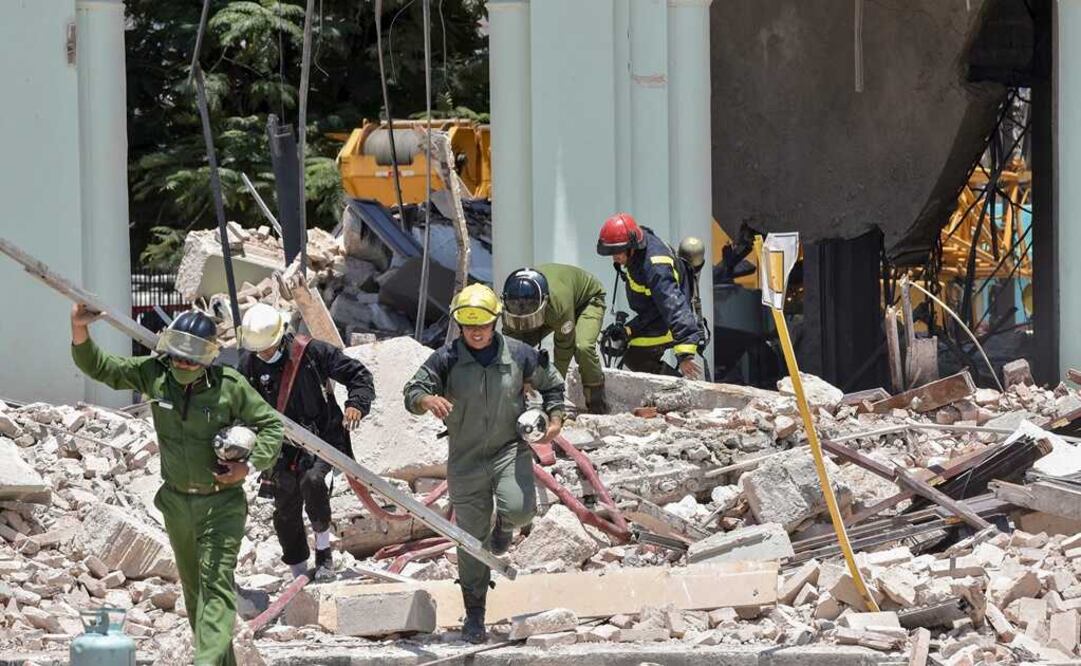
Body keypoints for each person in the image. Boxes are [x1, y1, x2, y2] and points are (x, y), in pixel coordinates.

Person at [70, 304, 282, 666]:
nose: (182, 366)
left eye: (190, 361)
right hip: (176, 503)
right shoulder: (156, 374)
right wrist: (78, 327)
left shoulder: (230, 387)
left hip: (221, 504)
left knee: (216, 585)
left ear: (207, 359)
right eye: (177, 359)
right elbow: (101, 367)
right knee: (195, 593)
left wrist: (247, 467)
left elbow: (272, 426)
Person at [402, 284, 565, 644]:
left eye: (483, 325)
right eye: (468, 325)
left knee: (522, 510)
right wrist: (427, 399)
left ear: (496, 322)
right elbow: (411, 392)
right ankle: (475, 612)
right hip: (466, 457)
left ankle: (505, 527)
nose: (476, 333)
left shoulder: (520, 355)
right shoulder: (445, 359)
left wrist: (555, 419)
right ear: (459, 325)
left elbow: (553, 386)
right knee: (470, 540)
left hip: (510, 449)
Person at [236, 303, 374, 581]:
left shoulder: (311, 352)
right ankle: (298, 570)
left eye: (268, 347)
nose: (264, 353)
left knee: (313, 482)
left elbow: (358, 375)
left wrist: (356, 404)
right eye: (258, 349)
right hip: (280, 445)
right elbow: (235, 402)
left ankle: (324, 555)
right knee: (285, 507)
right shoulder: (249, 365)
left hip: (321, 435)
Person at [595, 212, 704, 378]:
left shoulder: (655, 267)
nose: (615, 260)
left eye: (617, 253)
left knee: (636, 357)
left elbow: (673, 305)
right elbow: (654, 308)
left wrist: (685, 354)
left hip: (673, 323)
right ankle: (674, 386)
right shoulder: (638, 253)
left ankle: (680, 389)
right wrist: (628, 330)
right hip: (659, 316)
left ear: (631, 246)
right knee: (631, 351)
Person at [501, 264, 608, 414]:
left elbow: (564, 349)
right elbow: (509, 349)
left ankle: (596, 402)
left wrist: (554, 393)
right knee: (516, 349)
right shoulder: (509, 307)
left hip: (586, 301)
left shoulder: (558, 306)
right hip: (547, 310)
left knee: (582, 347)